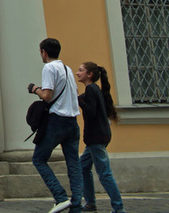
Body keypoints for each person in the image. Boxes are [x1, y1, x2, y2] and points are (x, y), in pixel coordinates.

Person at [27, 37, 84, 213]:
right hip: (72, 121)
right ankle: (76, 206)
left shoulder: (49, 68)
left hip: (56, 121)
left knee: (39, 159)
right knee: (74, 164)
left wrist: (35, 89)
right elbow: (74, 92)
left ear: (44, 51)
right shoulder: (67, 69)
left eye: (40, 51)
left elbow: (47, 96)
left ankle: (60, 197)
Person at [76, 62, 124, 213]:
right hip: (96, 138)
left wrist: (79, 100)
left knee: (104, 173)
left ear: (89, 75)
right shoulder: (94, 89)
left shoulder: (91, 89)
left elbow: (90, 111)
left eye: (80, 70)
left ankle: (118, 208)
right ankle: (90, 203)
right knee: (83, 167)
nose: (78, 73)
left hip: (96, 138)